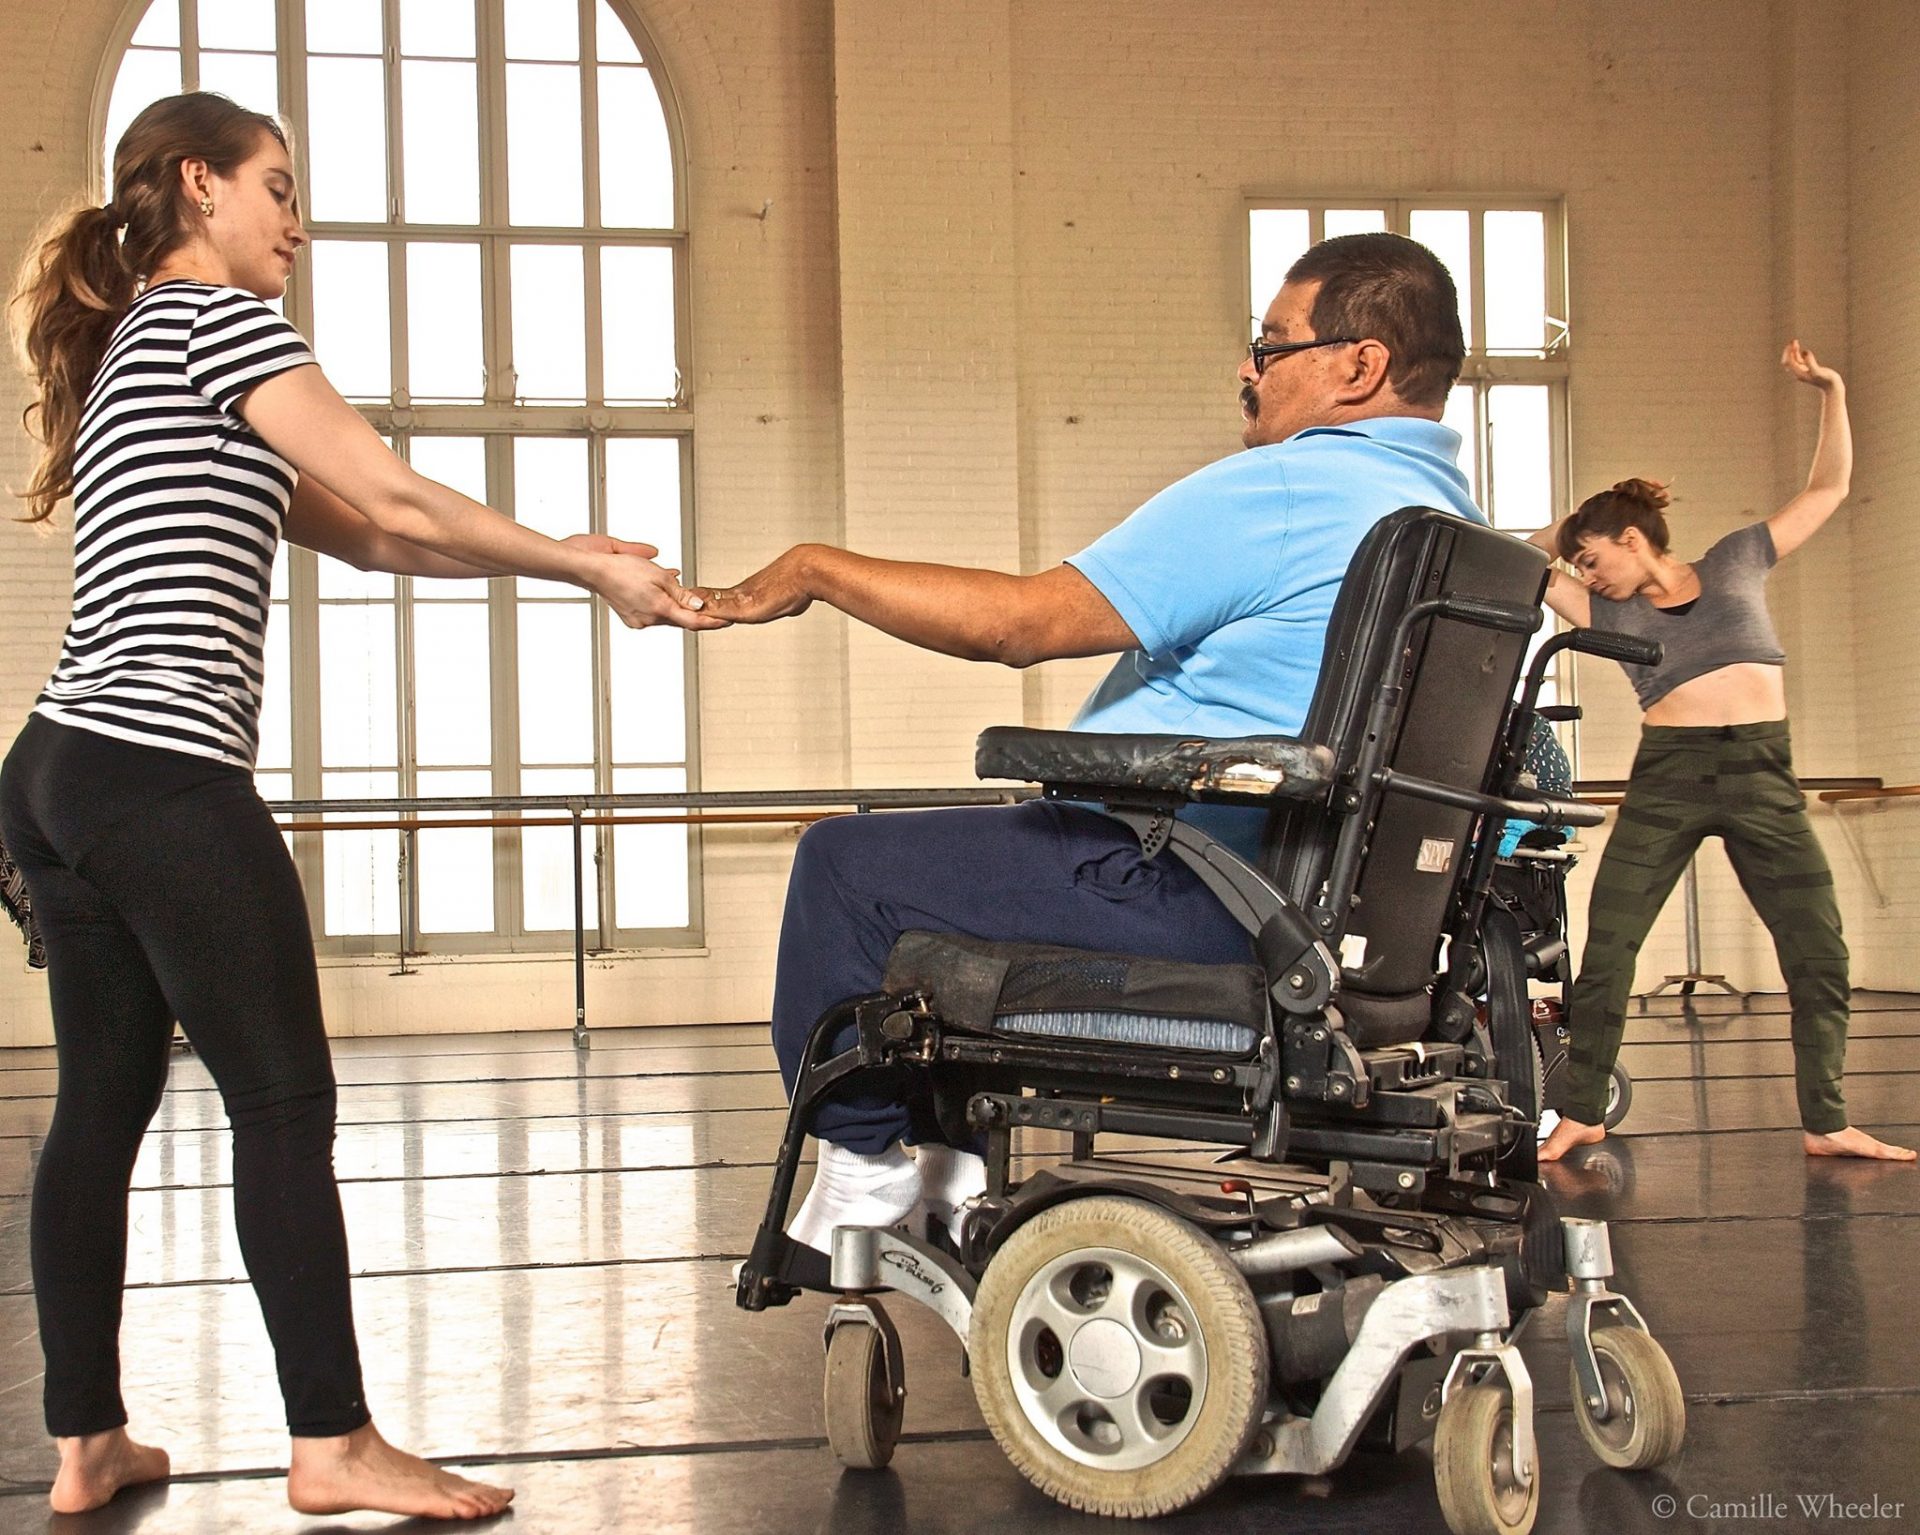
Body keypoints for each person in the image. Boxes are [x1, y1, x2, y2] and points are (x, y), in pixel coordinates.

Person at [1, 92, 720, 1519]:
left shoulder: (142, 344)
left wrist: (554, 552)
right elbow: (393, 483)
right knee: (281, 1095)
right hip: (157, 769)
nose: (298, 222)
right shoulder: (221, 323)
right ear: (198, 186)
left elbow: (379, 533)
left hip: (53, 773)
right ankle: (330, 1438)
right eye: (277, 187)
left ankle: (87, 1437)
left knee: (100, 1104)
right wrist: (591, 573)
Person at [694, 232, 1487, 1249]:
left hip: (1186, 890)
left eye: (1272, 344)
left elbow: (1019, 625)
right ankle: (952, 1161)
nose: (1248, 369)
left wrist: (815, 569)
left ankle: (863, 1166)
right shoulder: (1449, 524)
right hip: (1313, 911)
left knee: (846, 868)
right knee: (975, 859)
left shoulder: (1295, 491)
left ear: (1359, 363)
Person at [1533, 343, 1912, 1165]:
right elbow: (1516, 557)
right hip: (1667, 777)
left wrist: (1835, 391)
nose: (1586, 575)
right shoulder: (1609, 611)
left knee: (1820, 951)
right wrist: (1566, 532)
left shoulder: (1739, 558)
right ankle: (1582, 1110)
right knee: (1611, 947)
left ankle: (1826, 1119)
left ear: (1633, 539)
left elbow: (1829, 489)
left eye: (1593, 557)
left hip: (1762, 775)